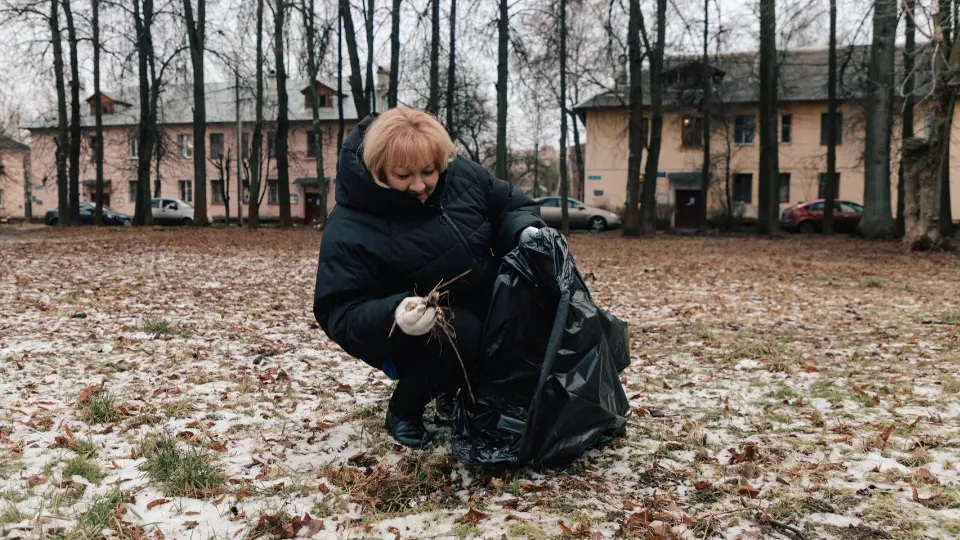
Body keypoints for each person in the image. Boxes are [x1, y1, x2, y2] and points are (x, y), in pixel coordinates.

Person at [313, 108, 545, 448]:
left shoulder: (462, 176)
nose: (419, 185)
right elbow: (339, 310)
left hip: (482, 297)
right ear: (378, 169)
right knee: (462, 334)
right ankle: (404, 410)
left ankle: (463, 388)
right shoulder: (350, 224)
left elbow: (510, 205)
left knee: (531, 301)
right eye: (403, 175)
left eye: (428, 171)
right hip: (416, 329)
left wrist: (525, 231)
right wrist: (395, 313)